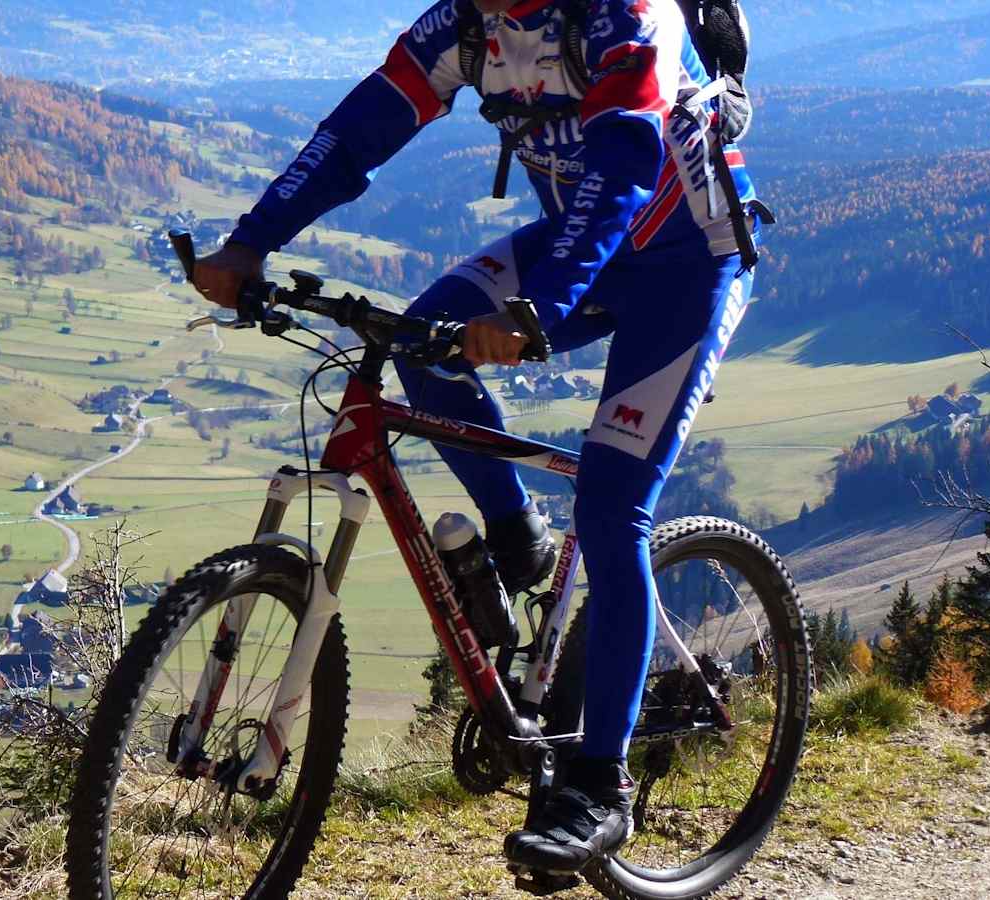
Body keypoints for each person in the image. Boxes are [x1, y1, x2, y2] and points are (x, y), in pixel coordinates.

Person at [190, 0, 759, 874]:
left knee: (612, 511)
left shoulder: (627, 15)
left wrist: (544, 310)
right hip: (580, 250)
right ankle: (517, 537)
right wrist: (248, 243)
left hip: (689, 264)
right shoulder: (464, 26)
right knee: (425, 342)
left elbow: (624, 162)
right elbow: (355, 134)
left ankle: (597, 789)